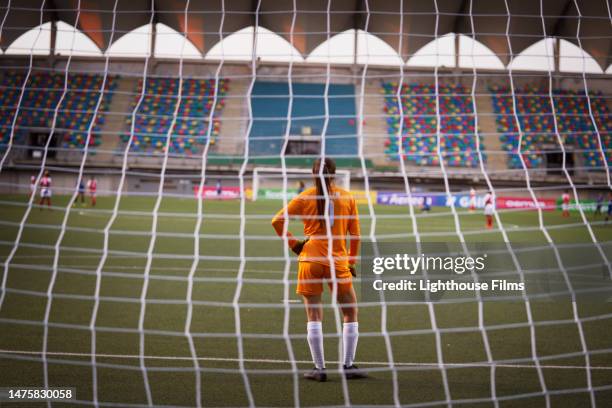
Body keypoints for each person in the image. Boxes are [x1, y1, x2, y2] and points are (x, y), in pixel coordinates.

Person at [271, 158, 364, 382]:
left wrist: (294, 244)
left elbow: (276, 221)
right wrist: (351, 262)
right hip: (337, 261)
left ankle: (319, 369)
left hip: (309, 259)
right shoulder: (348, 197)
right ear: (335, 174)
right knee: (350, 312)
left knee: (314, 314)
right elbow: (356, 236)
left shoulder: (305, 197)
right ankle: (348, 366)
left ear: (313, 174)